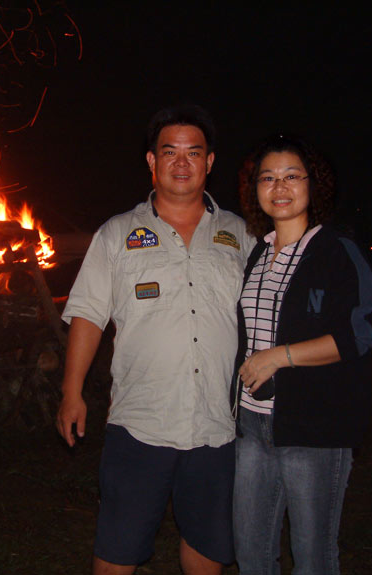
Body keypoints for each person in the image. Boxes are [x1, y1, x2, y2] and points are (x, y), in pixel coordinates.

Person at [56, 104, 255, 575]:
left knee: (207, 551)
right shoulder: (117, 233)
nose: (182, 162)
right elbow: (88, 314)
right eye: (170, 152)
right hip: (140, 423)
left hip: (216, 426)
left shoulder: (242, 234)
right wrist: (71, 391)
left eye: (194, 152)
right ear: (151, 160)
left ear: (210, 162)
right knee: (116, 555)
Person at [231, 134, 372, 575]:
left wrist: (280, 356)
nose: (280, 187)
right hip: (251, 425)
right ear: (256, 189)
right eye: (268, 178)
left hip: (314, 429)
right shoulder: (257, 254)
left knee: (312, 556)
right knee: (251, 553)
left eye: (292, 176)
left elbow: (359, 334)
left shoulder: (336, 252)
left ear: (313, 185)